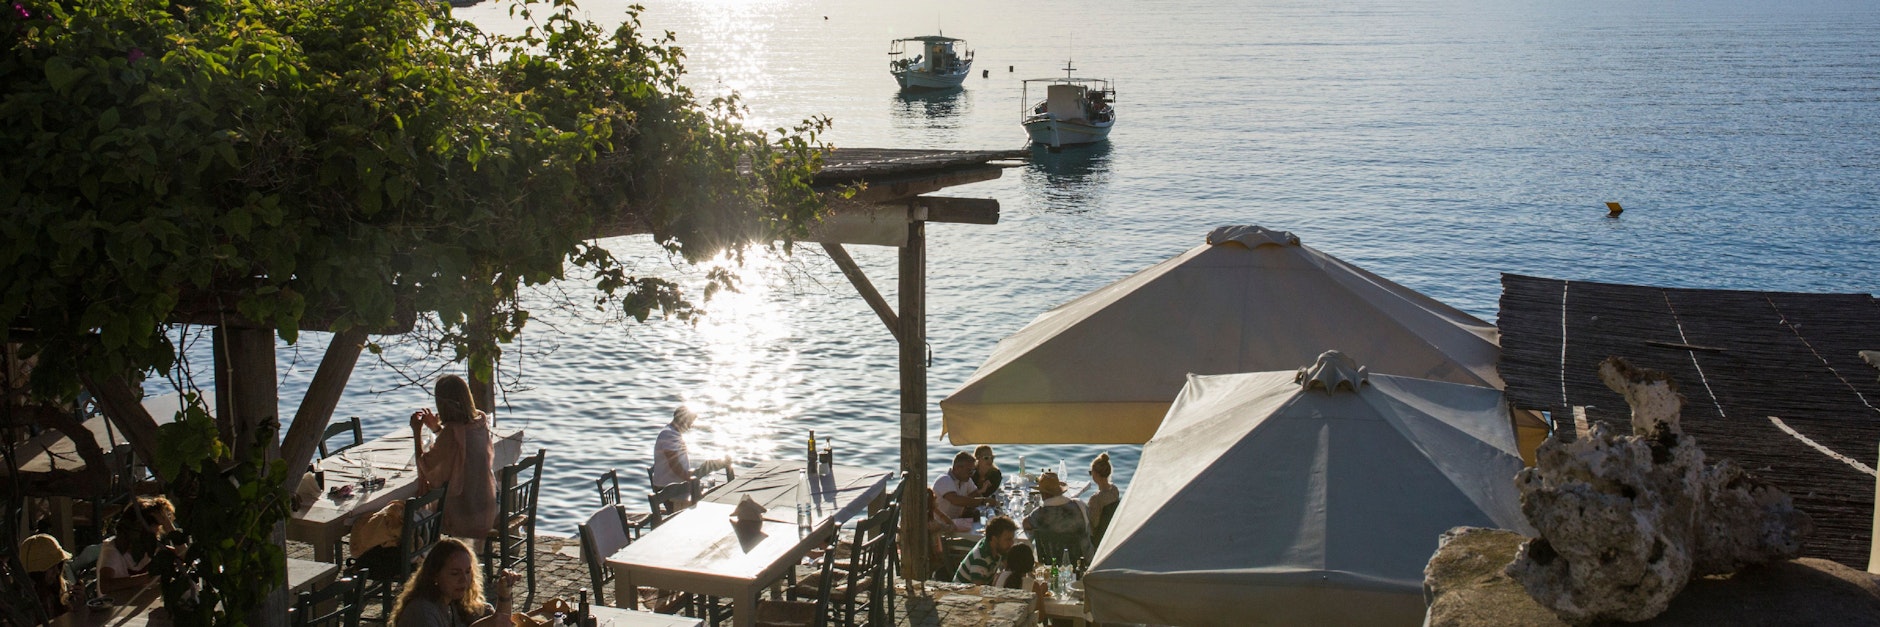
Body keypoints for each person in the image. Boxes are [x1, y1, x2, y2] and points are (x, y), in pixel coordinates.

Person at [412, 374, 498, 540]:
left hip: (464, 512)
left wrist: (416, 432)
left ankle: (416, 555)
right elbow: (458, 448)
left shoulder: (452, 431)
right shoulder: (480, 422)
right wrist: (437, 429)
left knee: (414, 510)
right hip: (485, 504)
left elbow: (425, 465)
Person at [391, 537, 519, 627]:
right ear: (435, 575)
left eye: (468, 572)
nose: (464, 579)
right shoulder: (422, 613)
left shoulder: (454, 602)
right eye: (455, 573)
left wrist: (504, 595)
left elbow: (501, 622)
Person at [98, 495, 176, 596]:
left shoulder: (150, 546)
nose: (151, 540)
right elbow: (105, 586)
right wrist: (150, 577)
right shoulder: (113, 550)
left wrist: (167, 524)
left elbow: (184, 556)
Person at [1021, 471, 1093, 568]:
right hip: (1083, 561)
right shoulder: (1080, 505)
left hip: (1053, 563)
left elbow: (1025, 524)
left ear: (1043, 494)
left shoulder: (1039, 514)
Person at [20, 533, 74, 617]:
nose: (56, 572)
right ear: (37, 573)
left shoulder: (59, 590)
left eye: (58, 566)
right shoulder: (24, 603)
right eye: (51, 568)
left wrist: (76, 605)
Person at [952, 516, 1017, 585]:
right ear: (994, 539)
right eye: (1008, 539)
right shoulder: (980, 559)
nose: (1012, 543)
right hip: (963, 593)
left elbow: (1010, 567)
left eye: (1012, 539)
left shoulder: (998, 548)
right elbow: (979, 590)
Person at [932, 451, 989, 521]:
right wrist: (983, 501)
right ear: (958, 468)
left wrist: (982, 491)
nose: (971, 474)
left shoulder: (965, 480)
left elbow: (975, 494)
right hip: (939, 525)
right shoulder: (944, 479)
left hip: (956, 522)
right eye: (969, 471)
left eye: (973, 471)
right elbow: (956, 500)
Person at [1086, 452, 1122, 542]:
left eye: (1091, 472)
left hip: (1099, 539)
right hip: (1112, 534)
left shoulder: (1096, 499)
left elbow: (1093, 525)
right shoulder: (1114, 490)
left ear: (1096, 475)